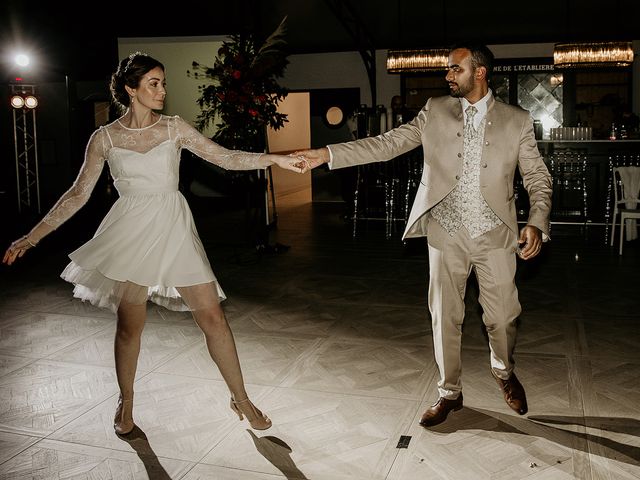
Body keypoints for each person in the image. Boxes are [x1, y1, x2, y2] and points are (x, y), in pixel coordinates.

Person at [2, 52, 306, 435]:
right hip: (131, 233)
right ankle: (125, 400)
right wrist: (32, 237)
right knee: (130, 327)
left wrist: (275, 159)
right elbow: (77, 194)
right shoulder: (105, 138)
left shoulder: (173, 128)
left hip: (175, 229)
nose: (163, 90)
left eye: (163, 82)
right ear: (131, 89)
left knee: (213, 318)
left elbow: (225, 158)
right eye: (154, 83)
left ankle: (241, 398)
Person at [295, 44, 552, 427]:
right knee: (444, 316)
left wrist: (536, 220)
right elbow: (386, 144)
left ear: (479, 72)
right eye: (447, 70)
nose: (447, 75)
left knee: (503, 318)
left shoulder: (517, 120)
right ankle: (449, 392)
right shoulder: (434, 110)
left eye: (455, 69)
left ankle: (503, 370)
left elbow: (537, 178)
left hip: (495, 234)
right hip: (445, 232)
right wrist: (328, 154)